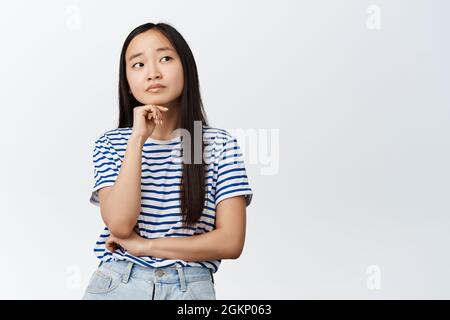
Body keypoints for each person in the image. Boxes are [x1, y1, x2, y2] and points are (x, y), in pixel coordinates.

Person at [82, 22, 253, 300]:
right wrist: (137, 139)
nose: (153, 73)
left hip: (189, 287)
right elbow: (120, 225)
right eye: (138, 64)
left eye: (165, 58)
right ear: (126, 82)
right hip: (118, 282)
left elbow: (231, 241)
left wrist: (144, 246)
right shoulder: (111, 143)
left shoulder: (218, 144)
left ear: (186, 68)